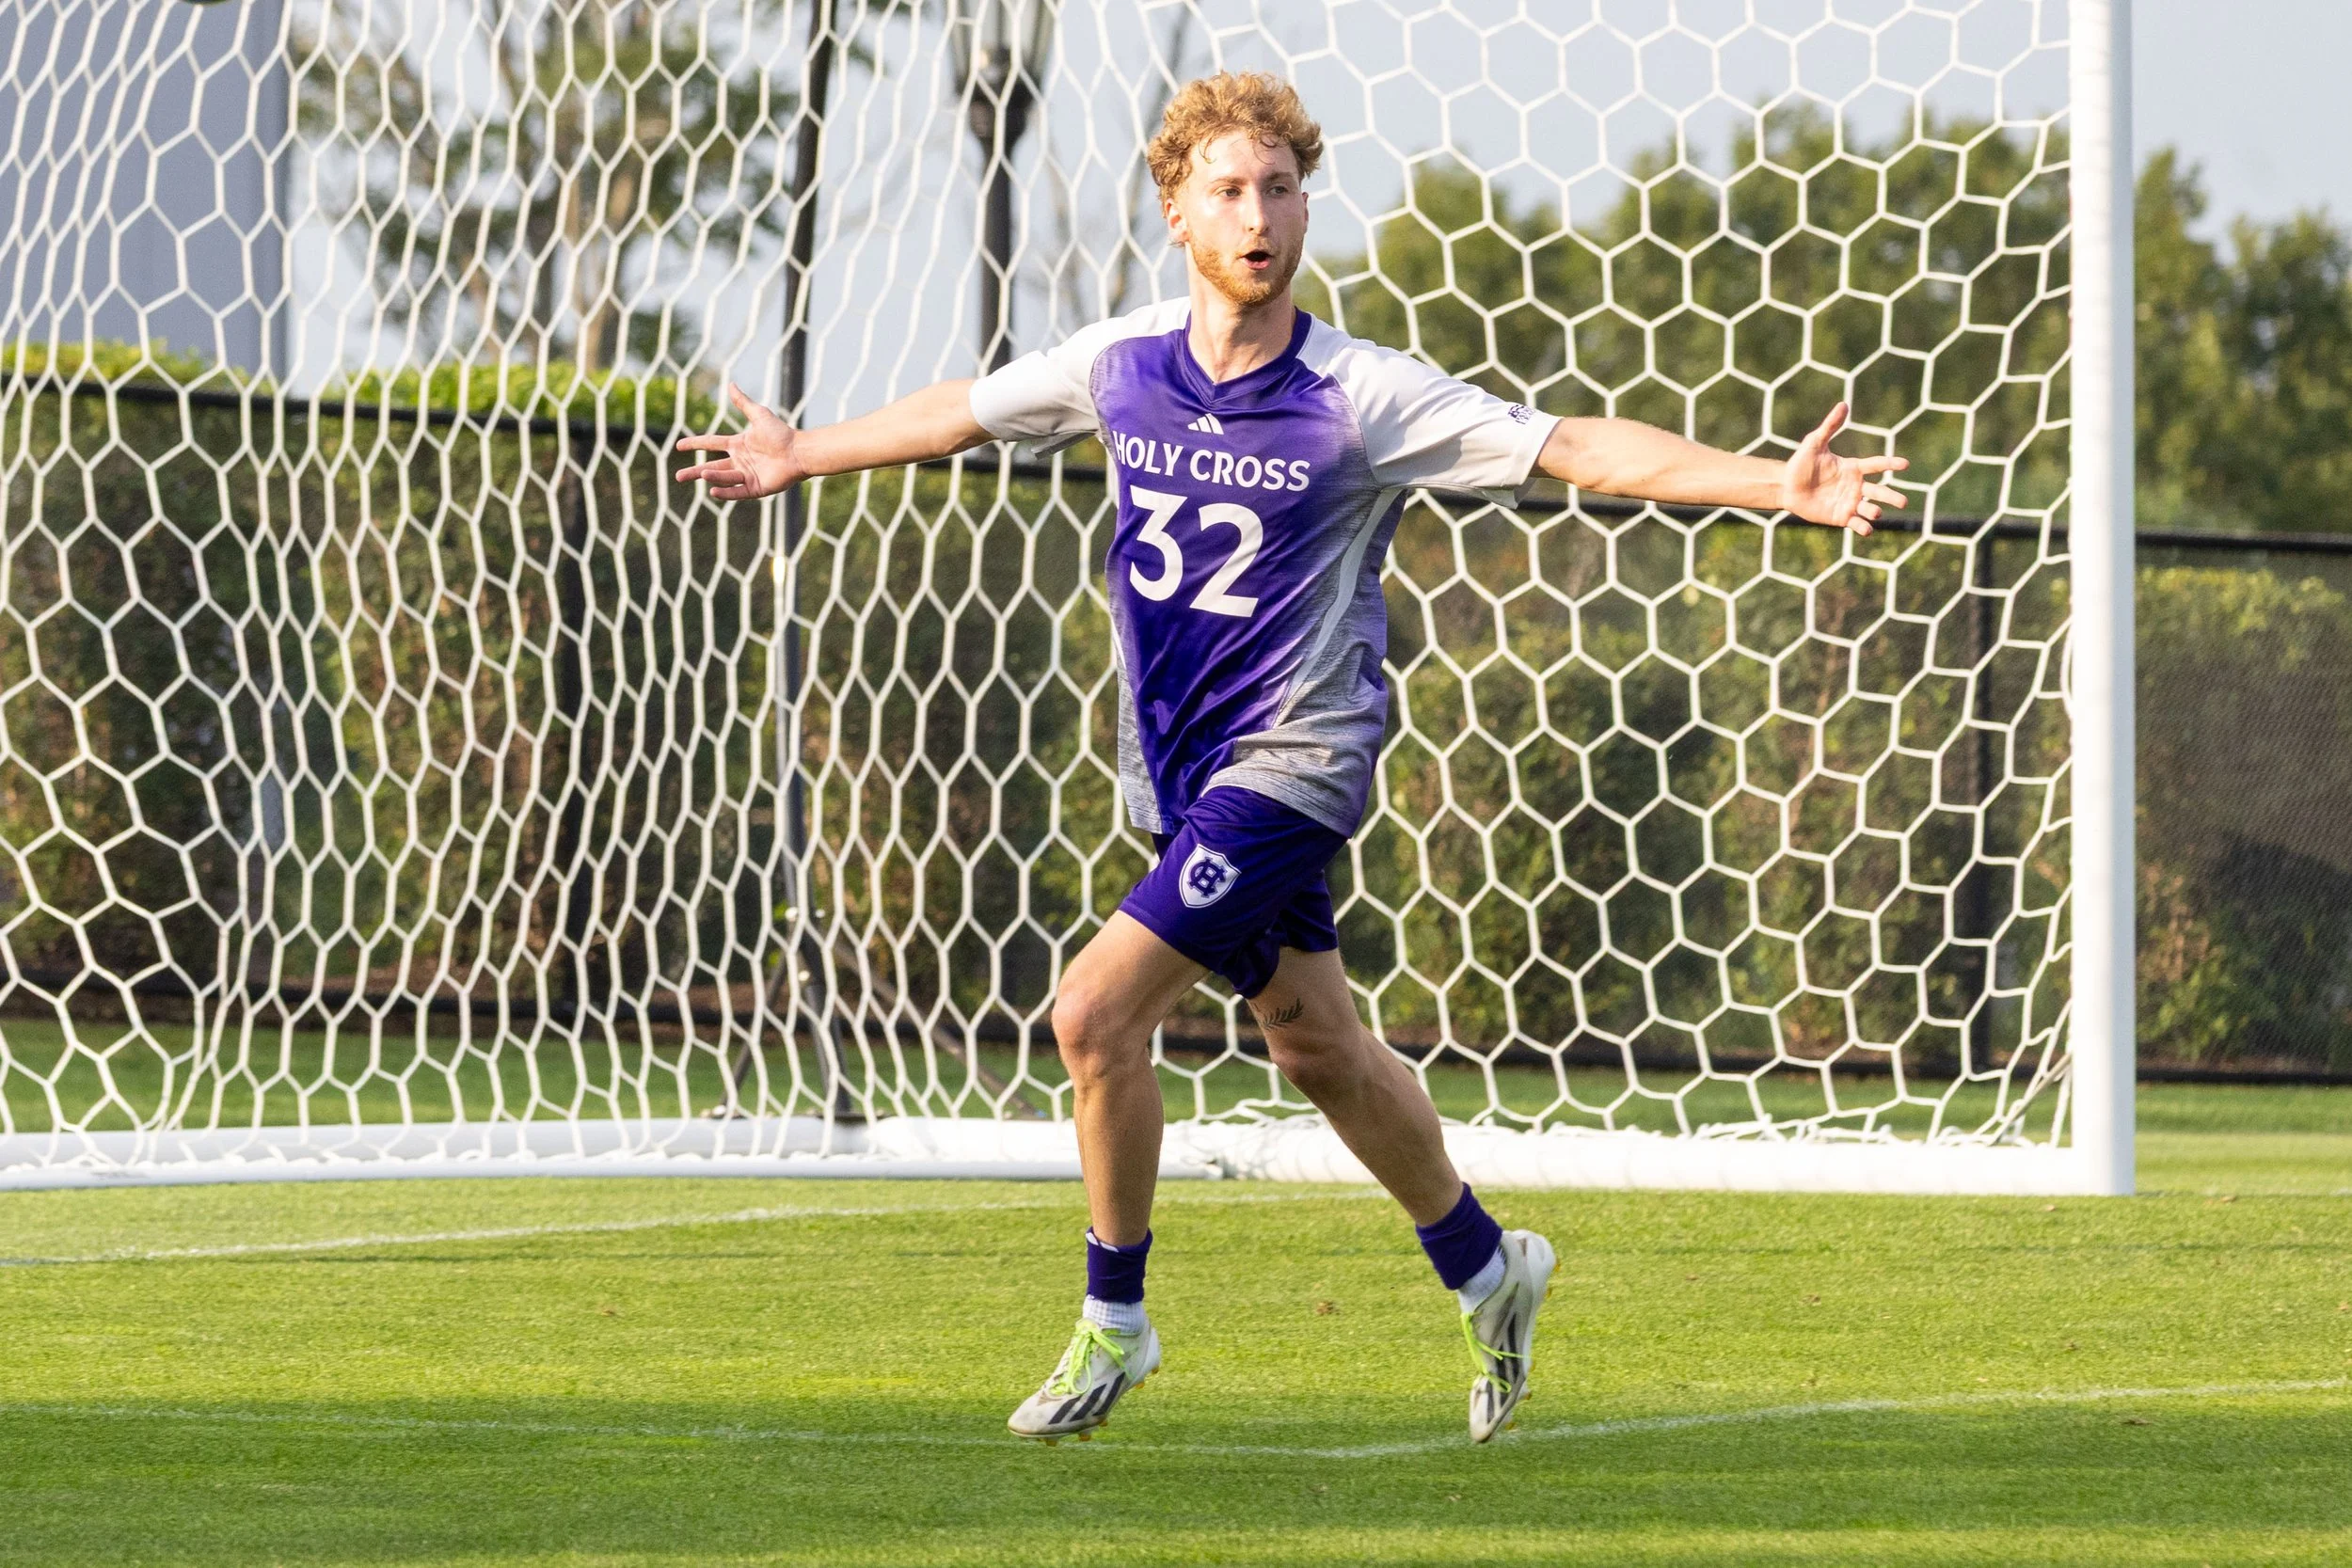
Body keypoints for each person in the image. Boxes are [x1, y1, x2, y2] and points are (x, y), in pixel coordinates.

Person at [675, 71, 1907, 1445]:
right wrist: (804, 453)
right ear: (1177, 212)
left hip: (1296, 763)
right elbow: (964, 408)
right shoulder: (1120, 363)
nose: (1256, 217)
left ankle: (1115, 1320)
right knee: (1317, 1043)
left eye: (1279, 189)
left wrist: (1768, 481)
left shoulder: (1360, 394)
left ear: (1306, 209)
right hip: (1182, 773)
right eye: (1227, 192)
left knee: (1091, 1015)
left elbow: (1574, 450)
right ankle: (1489, 1266)